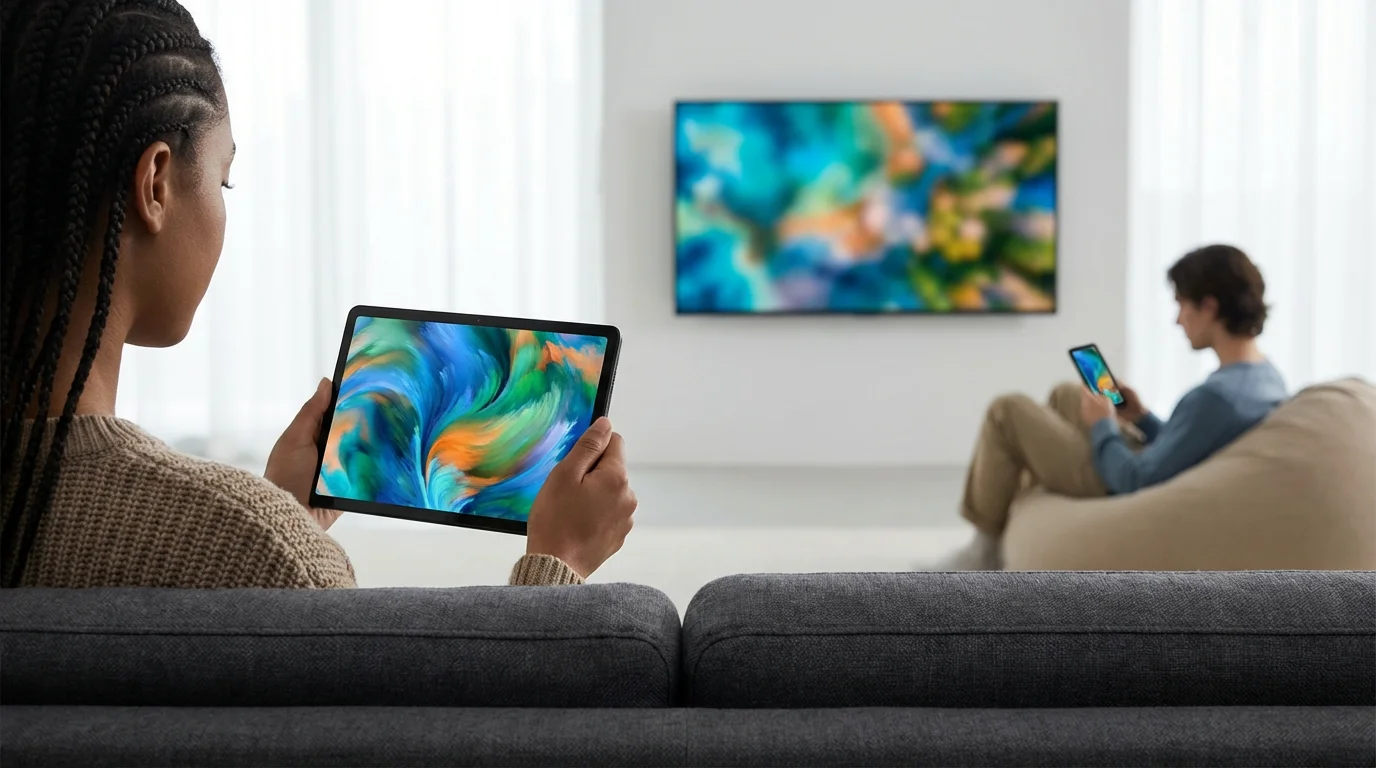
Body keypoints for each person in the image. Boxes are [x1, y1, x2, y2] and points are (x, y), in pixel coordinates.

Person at [0, 0, 636, 589]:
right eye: (224, 182)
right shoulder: (259, 551)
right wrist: (559, 562)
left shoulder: (258, 536)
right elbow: (440, 720)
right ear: (156, 184)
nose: (224, 207)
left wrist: (283, 509)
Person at [941, 244, 1288, 570]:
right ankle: (1023, 506)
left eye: (1182, 304)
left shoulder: (1215, 397)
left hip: (1119, 479)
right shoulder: (1263, 376)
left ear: (1209, 308)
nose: (1178, 320)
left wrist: (1103, 425)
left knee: (1008, 410)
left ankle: (984, 550)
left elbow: (1134, 479)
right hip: (1160, 467)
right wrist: (1142, 417)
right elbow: (1191, 443)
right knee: (1067, 394)